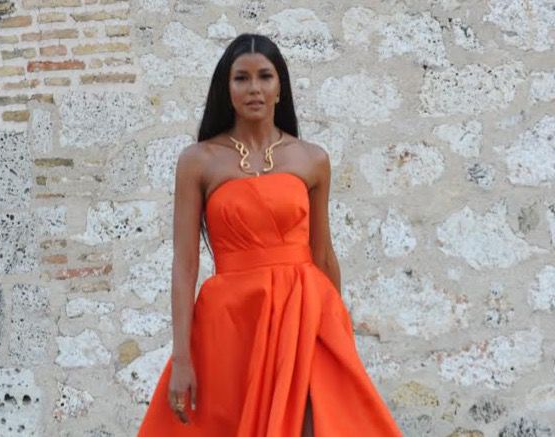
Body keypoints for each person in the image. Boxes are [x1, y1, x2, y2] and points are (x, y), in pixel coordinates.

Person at [137, 33, 403, 437]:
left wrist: (338, 333)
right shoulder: (198, 161)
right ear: (226, 90)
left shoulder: (311, 158)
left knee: (317, 426)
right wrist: (181, 358)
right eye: (241, 78)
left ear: (281, 87)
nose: (254, 88)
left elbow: (323, 253)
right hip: (231, 323)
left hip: (305, 311)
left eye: (265, 76)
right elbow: (184, 266)